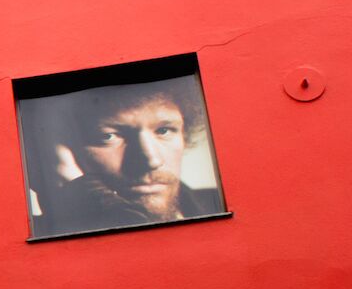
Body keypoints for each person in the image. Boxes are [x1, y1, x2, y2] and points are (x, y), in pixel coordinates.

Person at [30, 79, 222, 237]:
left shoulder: (220, 204)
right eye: (108, 136)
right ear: (65, 151)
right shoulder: (40, 236)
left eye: (164, 130)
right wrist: (77, 190)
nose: (151, 160)